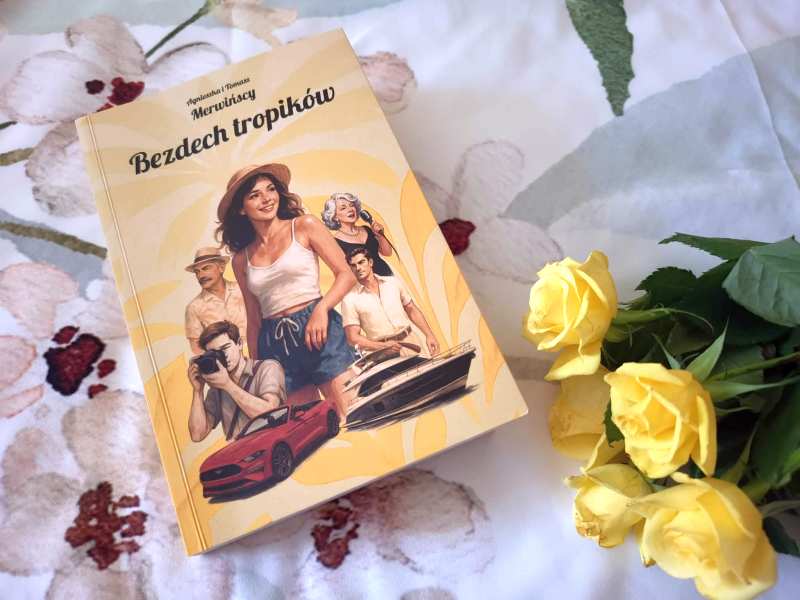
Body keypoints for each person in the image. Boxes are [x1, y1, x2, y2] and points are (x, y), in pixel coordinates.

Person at [216, 163, 357, 415]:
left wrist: (322, 309)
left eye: (270, 189)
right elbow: (254, 318)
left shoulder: (304, 225)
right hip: (274, 343)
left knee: (351, 413)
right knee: (307, 428)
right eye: (255, 195)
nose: (266, 198)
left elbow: (347, 274)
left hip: (319, 329)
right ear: (241, 208)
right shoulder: (241, 259)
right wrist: (257, 370)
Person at [187, 320, 286, 443]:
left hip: (272, 443)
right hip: (242, 451)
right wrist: (198, 391)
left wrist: (228, 385)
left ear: (239, 343)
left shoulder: (268, 368)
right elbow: (197, 435)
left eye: (225, 348)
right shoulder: (218, 388)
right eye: (215, 354)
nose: (222, 356)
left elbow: (271, 413)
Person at [341, 246, 440, 357]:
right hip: (382, 352)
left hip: (411, 342)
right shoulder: (349, 300)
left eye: (361, 262)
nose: (358, 268)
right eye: (353, 265)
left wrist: (429, 334)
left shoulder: (393, 283)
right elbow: (353, 338)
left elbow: (411, 309)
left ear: (370, 262)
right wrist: (381, 347)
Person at [184, 246, 247, 355]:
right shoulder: (194, 308)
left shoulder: (242, 289)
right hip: (226, 363)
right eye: (197, 272)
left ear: (221, 267)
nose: (200, 275)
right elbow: (197, 350)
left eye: (206, 268)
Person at [321, 192, 393, 276]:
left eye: (352, 205)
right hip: (364, 282)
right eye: (343, 208)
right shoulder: (336, 242)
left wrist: (380, 235)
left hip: (387, 275)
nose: (350, 209)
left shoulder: (367, 229)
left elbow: (387, 253)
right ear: (334, 216)